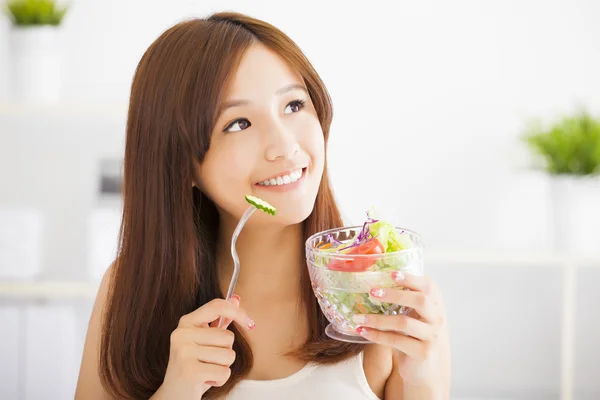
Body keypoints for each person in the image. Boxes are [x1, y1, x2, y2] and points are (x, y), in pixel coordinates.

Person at [75, 11, 451, 400]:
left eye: (293, 106)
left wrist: (423, 378)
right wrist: (175, 392)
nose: (285, 146)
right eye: (238, 123)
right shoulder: (129, 290)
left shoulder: (384, 291)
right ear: (180, 162)